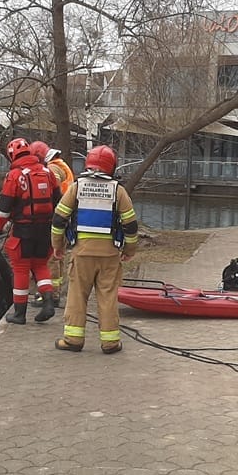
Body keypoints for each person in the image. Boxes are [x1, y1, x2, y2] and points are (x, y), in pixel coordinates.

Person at [51, 144, 139, 354]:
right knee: (107, 296)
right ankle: (110, 343)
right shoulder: (119, 191)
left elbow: (59, 219)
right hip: (109, 255)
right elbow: (130, 225)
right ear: (112, 166)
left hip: (81, 254)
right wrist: (130, 250)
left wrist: (58, 245)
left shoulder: (77, 187)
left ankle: (73, 339)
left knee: (77, 296)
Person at [0, 137, 59, 324]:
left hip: (23, 229)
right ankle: (49, 303)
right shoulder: (47, 172)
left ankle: (19, 313)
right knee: (40, 265)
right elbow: (58, 201)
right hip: (45, 229)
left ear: (12, 156)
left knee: (20, 269)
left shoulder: (14, 176)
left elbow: (3, 208)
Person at [29, 140, 74, 300]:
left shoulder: (53, 169)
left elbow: (47, 191)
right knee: (58, 255)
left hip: (56, 216)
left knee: (50, 258)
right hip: (64, 216)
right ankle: (55, 290)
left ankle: (51, 294)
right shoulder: (60, 165)